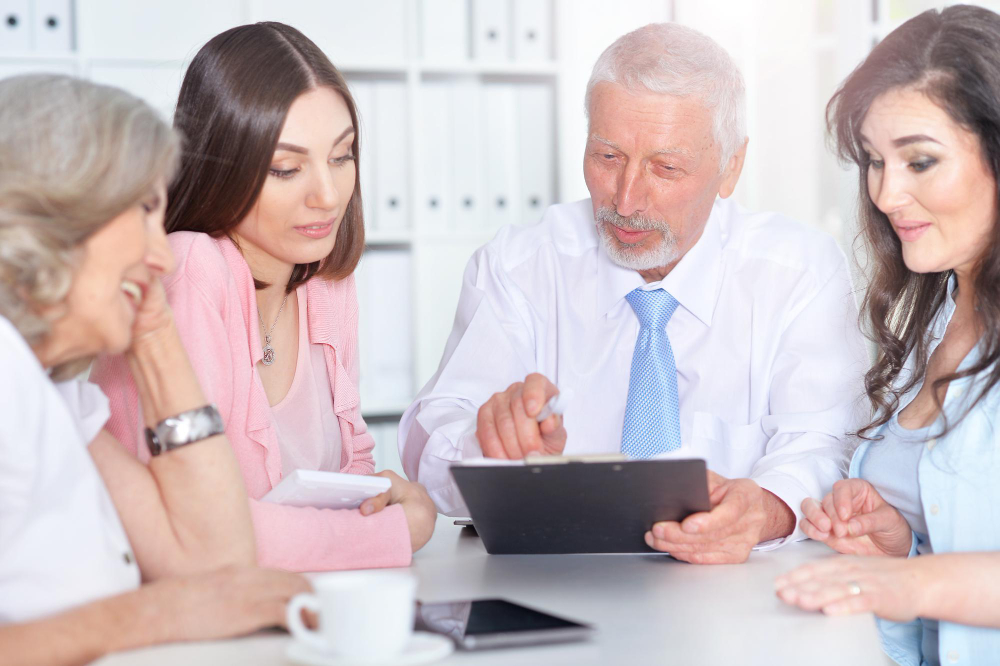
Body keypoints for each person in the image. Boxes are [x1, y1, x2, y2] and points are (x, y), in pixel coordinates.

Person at [399, 22, 869, 564]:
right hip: (554, 580)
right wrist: (488, 445)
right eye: (607, 157)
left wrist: (765, 509)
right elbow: (429, 443)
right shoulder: (518, 267)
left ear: (731, 167)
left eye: (666, 168)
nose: (625, 201)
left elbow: (829, 445)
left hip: (733, 589)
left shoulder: (799, 273)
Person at [92, 22, 436, 572]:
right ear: (220, 165)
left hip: (294, 601)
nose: (328, 196)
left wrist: (378, 502)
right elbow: (205, 530)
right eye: (286, 168)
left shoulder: (325, 280)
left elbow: (349, 479)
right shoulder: (191, 269)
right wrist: (396, 528)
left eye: (342, 156)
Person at [0, 74, 309, 665]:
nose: (163, 256)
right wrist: (156, 615)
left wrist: (154, 331)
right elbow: (196, 596)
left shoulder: (52, 394)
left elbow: (214, 566)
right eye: (143, 210)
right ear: (54, 203)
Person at [774, 6, 1000, 664]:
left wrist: (913, 583)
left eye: (920, 161)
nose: (886, 194)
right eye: (874, 161)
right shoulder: (937, 315)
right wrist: (896, 546)